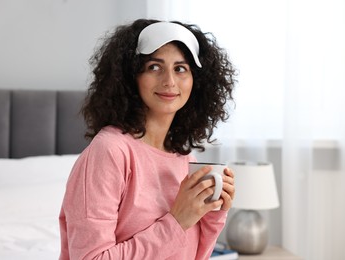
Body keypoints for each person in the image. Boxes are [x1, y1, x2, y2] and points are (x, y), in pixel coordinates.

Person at [59, 18, 236, 260]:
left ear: (196, 81)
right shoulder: (110, 150)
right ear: (131, 76)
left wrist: (212, 214)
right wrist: (177, 221)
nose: (169, 81)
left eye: (180, 68)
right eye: (154, 67)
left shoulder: (185, 159)